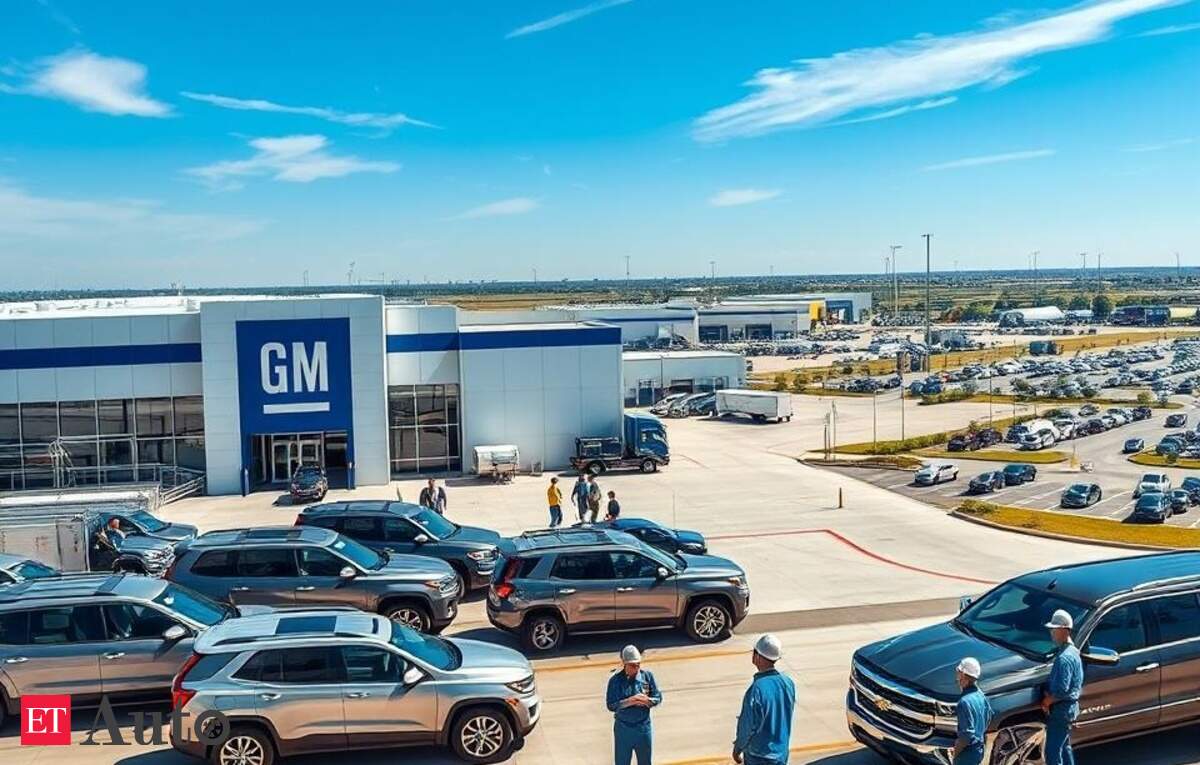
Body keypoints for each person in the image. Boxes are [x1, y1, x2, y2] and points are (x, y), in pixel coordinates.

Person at [733, 634, 795, 765]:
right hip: (780, 754)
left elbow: (747, 726)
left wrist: (737, 749)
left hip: (758, 757)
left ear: (757, 657)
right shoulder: (788, 683)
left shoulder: (756, 690)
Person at [606, 645, 661, 765]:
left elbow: (658, 697)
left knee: (645, 761)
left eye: (638, 665)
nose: (636, 668)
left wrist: (648, 701)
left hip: (643, 727)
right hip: (624, 729)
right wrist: (630, 701)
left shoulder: (647, 677)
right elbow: (611, 705)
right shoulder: (615, 681)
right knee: (622, 761)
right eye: (632, 665)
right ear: (624, 664)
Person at [1041, 609, 1083, 765]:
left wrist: (1047, 701)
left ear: (1065, 630)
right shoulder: (1074, 652)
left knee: (1052, 751)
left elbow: (1062, 690)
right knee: (1064, 747)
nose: (1052, 633)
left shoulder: (1063, 658)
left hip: (1061, 710)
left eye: (1055, 629)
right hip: (1070, 709)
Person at [952, 657, 992, 765]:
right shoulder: (981, 695)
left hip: (966, 756)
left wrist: (955, 753)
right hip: (979, 751)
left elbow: (966, 735)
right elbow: (988, 718)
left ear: (963, 675)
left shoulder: (964, 702)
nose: (957, 676)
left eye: (958, 672)